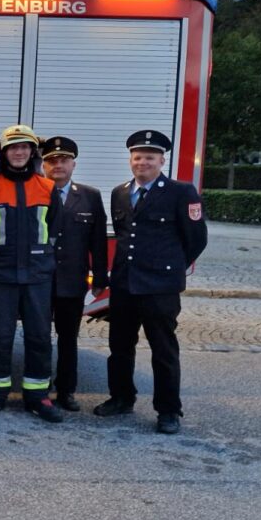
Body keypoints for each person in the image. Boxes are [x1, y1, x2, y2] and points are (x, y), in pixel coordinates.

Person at [94, 130, 208, 434]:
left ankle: (169, 410)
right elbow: (123, 234)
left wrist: (170, 269)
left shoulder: (181, 193)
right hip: (125, 285)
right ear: (131, 159)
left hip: (160, 288)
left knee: (163, 350)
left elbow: (196, 239)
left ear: (162, 160)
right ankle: (121, 397)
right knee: (119, 346)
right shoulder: (120, 192)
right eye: (137, 156)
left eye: (149, 157)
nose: (142, 162)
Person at [0, 124, 63, 422]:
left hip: (37, 275)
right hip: (0, 276)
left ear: (32, 152)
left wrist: (41, 261)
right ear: (4, 153)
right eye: (13, 148)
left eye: (24, 147)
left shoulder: (48, 189)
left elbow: (54, 233)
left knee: (38, 336)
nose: (19, 152)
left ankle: (38, 396)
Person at [40, 136, 108, 412]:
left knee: (68, 339)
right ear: (43, 165)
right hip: (40, 280)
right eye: (51, 160)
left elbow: (98, 241)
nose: (58, 165)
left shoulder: (90, 196)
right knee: (39, 337)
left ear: (73, 164)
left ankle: (66, 390)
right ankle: (39, 387)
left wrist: (101, 278)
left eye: (63, 160)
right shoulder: (34, 192)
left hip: (72, 281)